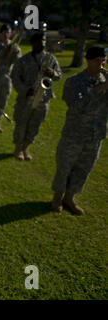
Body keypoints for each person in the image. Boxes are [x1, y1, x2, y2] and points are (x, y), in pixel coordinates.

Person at [51, 46, 107, 215]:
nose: (101, 63)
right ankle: (57, 197)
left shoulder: (104, 79)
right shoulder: (74, 81)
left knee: (84, 168)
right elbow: (76, 105)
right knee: (65, 166)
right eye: (98, 60)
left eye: (103, 60)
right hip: (74, 134)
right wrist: (100, 89)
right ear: (88, 60)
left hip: (96, 134)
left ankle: (70, 197)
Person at [11, 32, 62, 160]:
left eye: (44, 40)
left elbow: (59, 75)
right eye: (39, 41)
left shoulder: (50, 59)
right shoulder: (23, 60)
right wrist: (25, 90)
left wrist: (52, 73)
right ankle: (18, 148)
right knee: (21, 123)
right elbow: (15, 78)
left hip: (43, 98)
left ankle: (26, 147)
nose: (42, 43)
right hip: (26, 97)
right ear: (33, 43)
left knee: (35, 124)